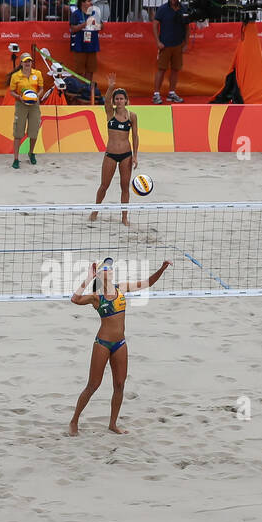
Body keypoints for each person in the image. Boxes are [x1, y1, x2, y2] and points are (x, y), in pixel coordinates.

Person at [68, 256, 171, 435]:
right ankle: (74, 421)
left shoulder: (121, 288)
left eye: (111, 268)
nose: (110, 270)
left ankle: (113, 424)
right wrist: (88, 278)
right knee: (93, 385)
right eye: (105, 268)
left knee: (120, 385)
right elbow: (75, 299)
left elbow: (147, 283)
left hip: (120, 344)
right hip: (102, 343)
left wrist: (162, 269)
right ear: (99, 275)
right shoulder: (96, 297)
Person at [89, 74, 139, 227]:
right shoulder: (110, 114)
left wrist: (135, 156)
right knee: (104, 185)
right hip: (110, 154)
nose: (119, 101)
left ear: (126, 100)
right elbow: (106, 101)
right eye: (116, 99)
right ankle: (95, 211)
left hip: (126, 155)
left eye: (121, 99)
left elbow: (135, 137)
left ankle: (124, 217)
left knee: (125, 187)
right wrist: (110, 87)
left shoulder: (132, 116)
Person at [152, 0, 188, 104]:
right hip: (165, 45)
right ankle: (156, 94)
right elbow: (155, 24)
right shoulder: (162, 9)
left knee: (175, 69)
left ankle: (171, 93)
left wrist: (186, 43)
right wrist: (158, 41)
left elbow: (187, 27)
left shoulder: (184, 9)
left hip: (178, 44)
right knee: (161, 69)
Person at [8, 51, 44, 170]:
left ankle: (31, 153)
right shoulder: (16, 76)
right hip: (21, 104)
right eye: (25, 61)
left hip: (34, 105)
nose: (27, 63)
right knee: (18, 131)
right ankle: (16, 159)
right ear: (21, 63)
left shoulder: (37, 74)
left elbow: (41, 89)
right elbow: (11, 91)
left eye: (29, 61)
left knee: (34, 131)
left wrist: (37, 96)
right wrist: (20, 97)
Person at [67, 0, 100, 103]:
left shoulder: (95, 12)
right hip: (80, 45)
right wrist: (85, 24)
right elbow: (73, 29)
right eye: (88, 0)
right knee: (79, 71)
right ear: (82, 3)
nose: (91, 2)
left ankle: (87, 92)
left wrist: (96, 24)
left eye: (91, 0)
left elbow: (101, 27)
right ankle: (79, 91)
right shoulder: (76, 14)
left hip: (92, 45)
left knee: (90, 70)